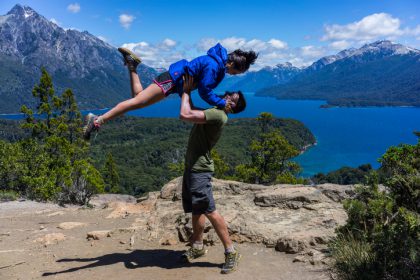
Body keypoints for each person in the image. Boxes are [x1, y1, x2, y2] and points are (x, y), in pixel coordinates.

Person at [83, 43, 257, 139]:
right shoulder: (214, 66)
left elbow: (202, 86)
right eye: (238, 72)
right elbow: (205, 90)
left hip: (178, 83)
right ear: (233, 64)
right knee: (137, 102)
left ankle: (132, 65)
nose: (235, 75)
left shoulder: (216, 64)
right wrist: (221, 102)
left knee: (138, 98)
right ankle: (98, 120)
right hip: (172, 80)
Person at [178, 73, 246, 274]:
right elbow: (192, 109)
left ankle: (231, 251)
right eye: (230, 93)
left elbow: (185, 115)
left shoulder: (218, 115)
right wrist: (187, 93)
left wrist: (185, 91)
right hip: (192, 168)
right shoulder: (215, 111)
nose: (227, 95)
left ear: (231, 107)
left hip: (200, 171)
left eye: (231, 98)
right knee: (197, 209)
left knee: (209, 210)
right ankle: (197, 247)